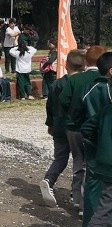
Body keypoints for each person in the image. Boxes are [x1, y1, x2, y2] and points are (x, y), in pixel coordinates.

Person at [70, 55, 112, 227]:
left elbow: (85, 125)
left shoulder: (97, 93)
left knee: (103, 200)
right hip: (103, 156)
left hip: (100, 154)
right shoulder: (100, 89)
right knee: (104, 202)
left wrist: (98, 145)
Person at [59, 45, 106, 215]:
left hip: (74, 128)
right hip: (96, 129)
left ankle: (76, 199)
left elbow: (63, 100)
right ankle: (88, 203)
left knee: (78, 162)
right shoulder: (104, 80)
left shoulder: (75, 79)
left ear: (86, 61)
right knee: (92, 165)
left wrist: (72, 116)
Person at [41, 49, 85, 207]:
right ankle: (76, 192)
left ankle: (48, 180)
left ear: (66, 65)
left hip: (59, 126)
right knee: (80, 160)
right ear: (84, 66)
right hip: (76, 127)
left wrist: (50, 124)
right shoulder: (83, 84)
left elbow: (50, 106)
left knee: (60, 158)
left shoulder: (56, 84)